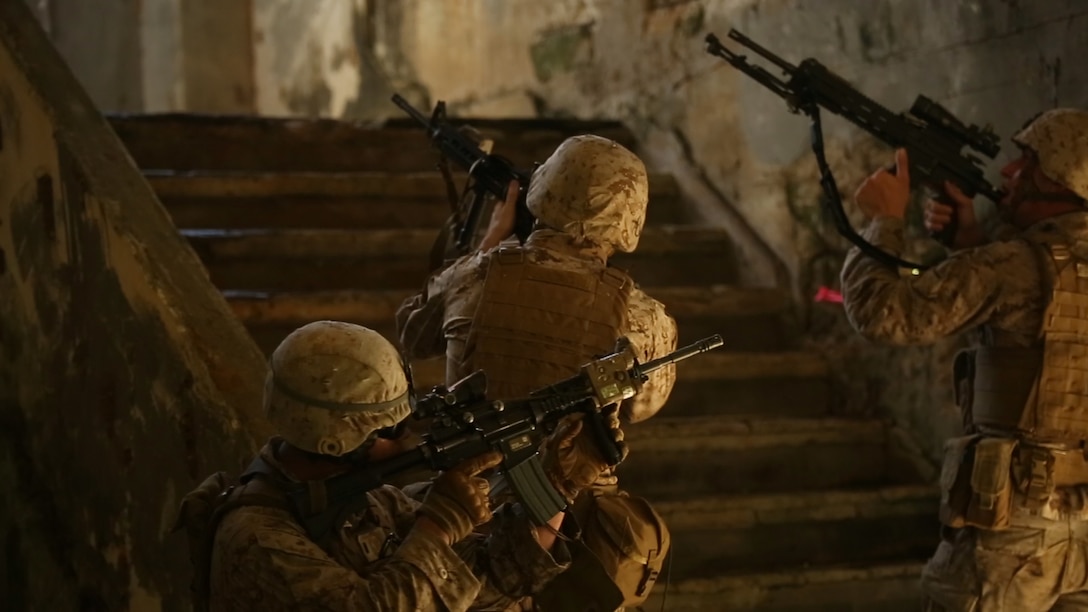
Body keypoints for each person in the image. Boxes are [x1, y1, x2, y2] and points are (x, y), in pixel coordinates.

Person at [396, 134, 677, 608]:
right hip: (568, 531)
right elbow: (643, 408)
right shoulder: (645, 318)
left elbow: (411, 333)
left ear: (543, 189)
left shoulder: (473, 275)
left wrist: (486, 243)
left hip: (461, 512)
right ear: (630, 220)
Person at [175, 320, 620, 612]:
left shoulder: (365, 497)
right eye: (391, 430)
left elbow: (480, 585)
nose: (408, 436)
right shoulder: (255, 539)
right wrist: (438, 526)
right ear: (337, 442)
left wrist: (557, 482)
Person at [840, 108, 1088, 610]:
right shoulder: (1024, 260)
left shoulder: (1012, 265)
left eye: (1028, 160)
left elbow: (887, 314)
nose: (1009, 173)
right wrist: (975, 244)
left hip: (1014, 528)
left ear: (1059, 181)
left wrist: (883, 221)